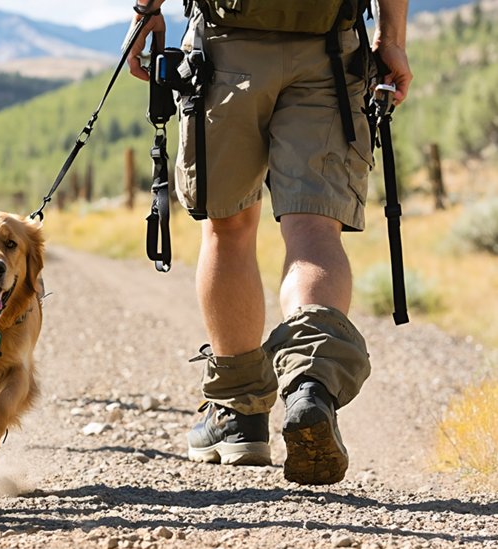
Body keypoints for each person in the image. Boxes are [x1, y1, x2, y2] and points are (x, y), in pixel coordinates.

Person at [126, 0, 413, 485]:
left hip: (226, 44)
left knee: (228, 228)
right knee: (315, 229)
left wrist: (145, 10)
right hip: (329, 44)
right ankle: (310, 385)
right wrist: (393, 39)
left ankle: (238, 415)